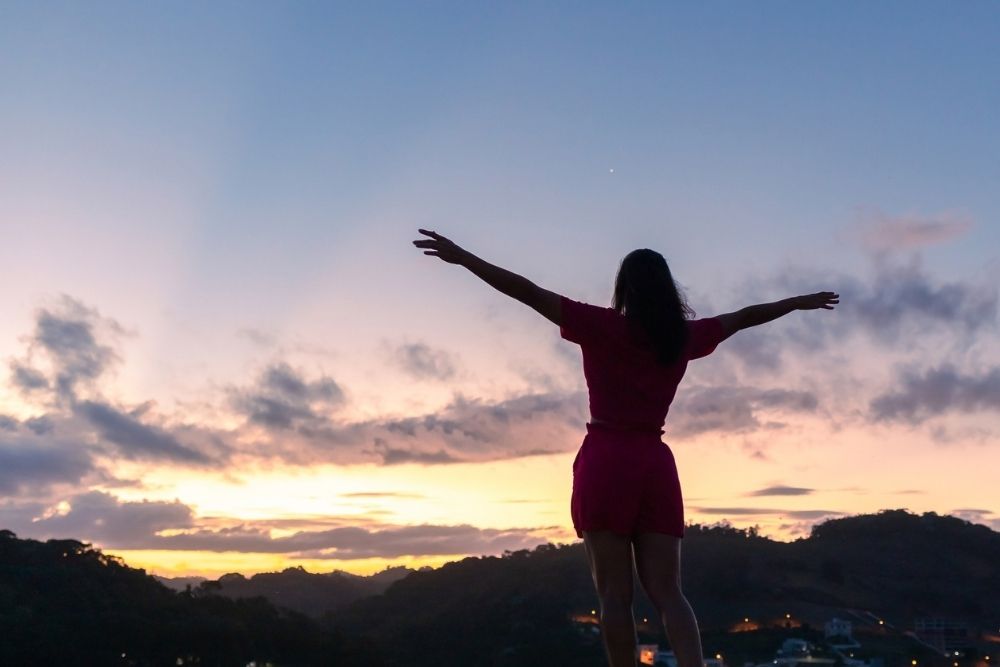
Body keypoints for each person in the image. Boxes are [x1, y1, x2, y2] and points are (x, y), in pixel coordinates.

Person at [412, 228, 838, 667]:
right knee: (670, 593)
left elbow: (526, 291)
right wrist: (796, 303)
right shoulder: (682, 338)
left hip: (607, 460)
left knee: (614, 595)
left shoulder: (600, 326)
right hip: (654, 464)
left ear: (624, 288)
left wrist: (464, 258)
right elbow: (744, 316)